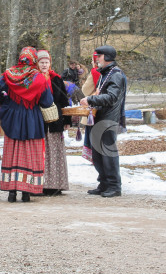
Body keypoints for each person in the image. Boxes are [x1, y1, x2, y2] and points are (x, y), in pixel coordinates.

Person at [0, 47, 54, 203]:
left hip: (13, 118)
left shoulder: (10, 75)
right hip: (32, 118)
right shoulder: (39, 78)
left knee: (12, 152)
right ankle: (26, 192)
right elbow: (47, 101)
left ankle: (12, 191)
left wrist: (6, 100)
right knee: (30, 152)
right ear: (34, 60)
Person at [80, 45, 127, 198]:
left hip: (108, 119)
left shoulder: (116, 75)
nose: (97, 59)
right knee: (98, 153)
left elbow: (112, 97)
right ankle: (104, 183)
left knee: (108, 153)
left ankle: (114, 185)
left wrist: (91, 99)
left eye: (99, 56)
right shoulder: (105, 74)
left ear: (106, 57)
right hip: (99, 117)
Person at [37, 50, 70, 195]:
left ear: (50, 63)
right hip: (39, 121)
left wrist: (67, 120)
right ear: (37, 64)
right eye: (41, 62)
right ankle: (41, 185)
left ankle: (56, 185)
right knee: (41, 152)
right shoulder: (34, 79)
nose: (44, 65)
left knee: (55, 152)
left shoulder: (56, 79)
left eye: (46, 62)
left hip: (55, 121)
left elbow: (64, 101)